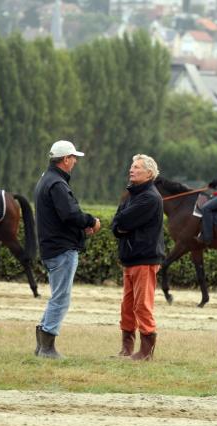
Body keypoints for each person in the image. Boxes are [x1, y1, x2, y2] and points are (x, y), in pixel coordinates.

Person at [34, 140, 101, 359]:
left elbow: (60, 217)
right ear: (65, 160)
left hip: (52, 246)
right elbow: (70, 214)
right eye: (74, 158)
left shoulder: (47, 179)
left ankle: (41, 344)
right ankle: (47, 347)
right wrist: (91, 221)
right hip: (61, 249)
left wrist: (81, 231)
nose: (75, 162)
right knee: (61, 298)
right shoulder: (58, 184)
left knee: (57, 296)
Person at [112, 154, 164, 361]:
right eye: (131, 166)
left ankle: (145, 351)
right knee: (127, 306)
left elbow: (123, 220)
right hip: (130, 258)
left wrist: (120, 224)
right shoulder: (131, 195)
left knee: (142, 305)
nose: (131, 170)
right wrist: (120, 225)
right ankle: (127, 348)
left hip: (145, 258)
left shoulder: (150, 197)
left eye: (137, 168)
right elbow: (117, 224)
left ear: (149, 173)